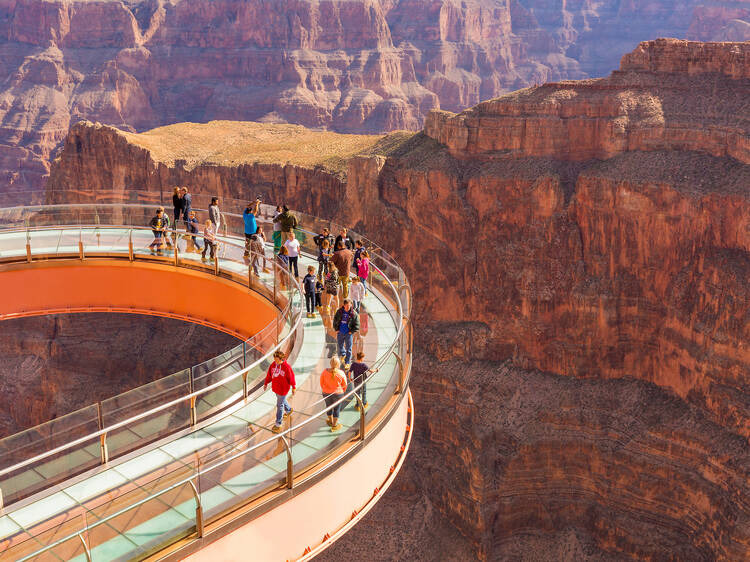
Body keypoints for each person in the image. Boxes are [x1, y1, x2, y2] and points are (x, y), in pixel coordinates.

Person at [264, 350, 296, 434]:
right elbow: (269, 375)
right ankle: (289, 410)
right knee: (281, 400)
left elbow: (291, 377)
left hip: (283, 389)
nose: (275, 360)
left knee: (279, 405)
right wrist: (266, 383)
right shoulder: (273, 365)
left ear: (281, 358)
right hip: (276, 388)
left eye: (276, 359)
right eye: (274, 359)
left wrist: (293, 387)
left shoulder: (286, 367)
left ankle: (278, 423)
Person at [320, 356, 347, 431]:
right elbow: (344, 385)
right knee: (337, 409)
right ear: (338, 364)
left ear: (330, 363)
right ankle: (334, 425)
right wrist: (343, 390)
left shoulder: (325, 372)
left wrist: (325, 389)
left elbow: (321, 383)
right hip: (338, 394)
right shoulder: (341, 373)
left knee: (328, 407)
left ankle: (330, 421)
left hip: (326, 393)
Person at [333, 299, 359, 367]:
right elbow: (335, 320)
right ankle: (343, 354)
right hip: (340, 332)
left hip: (348, 334)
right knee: (340, 345)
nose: (348, 307)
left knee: (349, 348)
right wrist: (336, 329)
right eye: (347, 305)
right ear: (344, 305)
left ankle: (347, 362)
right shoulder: (339, 312)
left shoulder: (353, 313)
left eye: (349, 305)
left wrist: (351, 331)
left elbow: (357, 324)